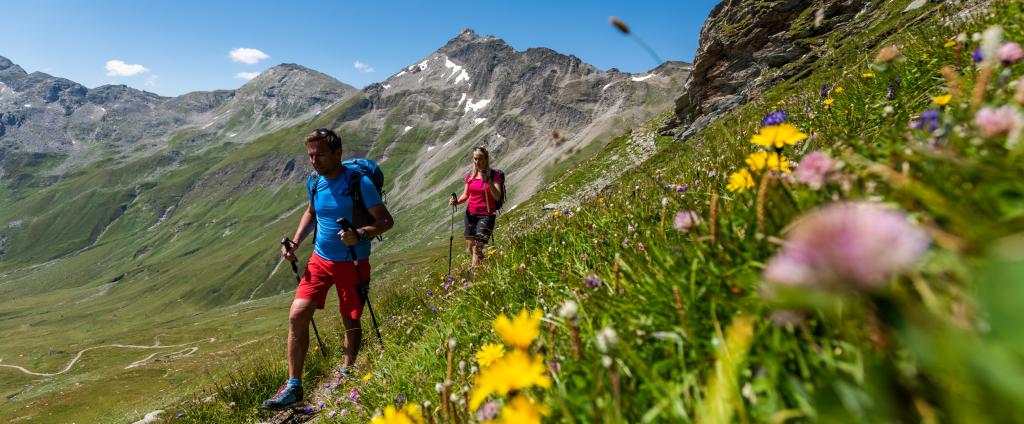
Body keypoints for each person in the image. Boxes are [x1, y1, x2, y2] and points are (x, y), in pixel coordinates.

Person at [262, 128, 394, 410]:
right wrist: (296, 242)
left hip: (353, 261)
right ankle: (294, 386)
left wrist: (359, 234)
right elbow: (312, 212)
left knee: (350, 319)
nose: (314, 161)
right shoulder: (314, 181)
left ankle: (347, 371)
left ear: (338, 153)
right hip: (320, 260)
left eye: (320, 154)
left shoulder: (359, 183)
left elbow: (385, 221)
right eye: (310, 155)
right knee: (298, 315)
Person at [449, 146, 503, 270]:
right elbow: (465, 195)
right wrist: (456, 202)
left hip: (487, 214)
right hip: (470, 214)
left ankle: (474, 275)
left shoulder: (494, 175)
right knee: (470, 247)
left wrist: (488, 181)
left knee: (477, 247)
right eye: (474, 159)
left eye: (479, 159)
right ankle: (488, 267)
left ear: (486, 159)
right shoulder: (470, 175)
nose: (477, 162)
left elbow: (497, 196)